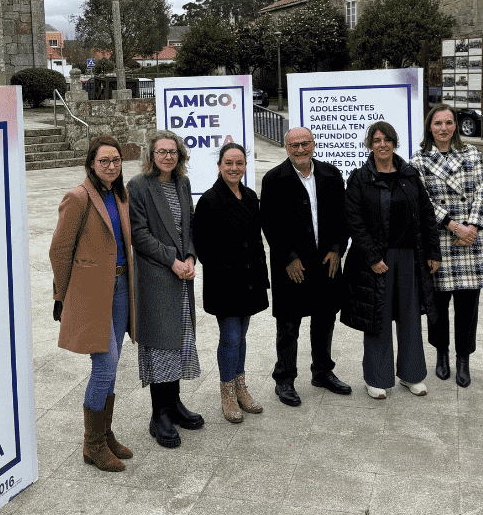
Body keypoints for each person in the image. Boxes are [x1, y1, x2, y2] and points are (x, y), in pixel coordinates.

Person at [49, 136, 136, 472]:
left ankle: (105, 433)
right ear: (91, 164)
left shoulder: (119, 194)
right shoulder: (78, 197)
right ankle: (92, 444)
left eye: (115, 160)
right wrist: (64, 294)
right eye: (104, 161)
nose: (111, 166)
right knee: (105, 364)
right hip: (91, 293)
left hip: (120, 287)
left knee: (112, 366)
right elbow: (59, 251)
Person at [341, 121, 441, 399]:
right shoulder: (360, 178)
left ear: (394, 142)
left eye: (386, 139)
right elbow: (354, 221)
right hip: (376, 261)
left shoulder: (409, 174)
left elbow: (426, 214)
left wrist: (433, 251)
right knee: (378, 319)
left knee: (410, 318)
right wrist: (372, 257)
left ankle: (412, 376)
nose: (382, 144)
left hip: (409, 257)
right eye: (376, 140)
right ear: (369, 145)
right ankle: (376, 378)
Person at [260, 127, 351, 406]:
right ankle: (284, 379)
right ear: (286, 148)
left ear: (313, 144)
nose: (300, 150)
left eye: (305, 144)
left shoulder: (331, 174)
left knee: (324, 319)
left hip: (326, 263)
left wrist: (338, 248)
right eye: (294, 145)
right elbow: (270, 222)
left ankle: (322, 372)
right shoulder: (274, 178)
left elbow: (342, 216)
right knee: (288, 324)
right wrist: (288, 257)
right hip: (292, 265)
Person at [127, 130, 204, 448]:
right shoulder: (138, 186)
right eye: (161, 152)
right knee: (161, 345)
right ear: (150, 155)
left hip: (181, 274)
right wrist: (173, 261)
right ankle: (158, 415)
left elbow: (190, 224)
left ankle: (174, 405)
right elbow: (139, 234)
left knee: (180, 340)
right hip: (156, 277)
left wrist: (189, 255)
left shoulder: (182, 183)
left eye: (173, 151)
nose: (168, 156)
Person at [410, 105, 483, 388]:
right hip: (439, 240)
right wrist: (455, 226)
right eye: (437, 123)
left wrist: (471, 228)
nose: (443, 128)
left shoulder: (472, 154)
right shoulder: (418, 160)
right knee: (438, 305)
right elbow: (422, 203)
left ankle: (463, 358)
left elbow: (481, 191)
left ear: (455, 126)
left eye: (448, 123)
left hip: (469, 240)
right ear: (429, 127)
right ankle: (441, 354)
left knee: (468, 307)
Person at [193, 143, 268, 423]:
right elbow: (204, 247)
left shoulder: (249, 196)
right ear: (220, 166)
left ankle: (241, 388)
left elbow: (257, 240)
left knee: (242, 336)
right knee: (231, 337)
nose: (234, 168)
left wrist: (261, 275)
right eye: (228, 163)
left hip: (249, 282)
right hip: (225, 284)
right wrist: (228, 270)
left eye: (239, 163)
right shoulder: (209, 200)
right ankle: (227, 393)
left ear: (245, 166)